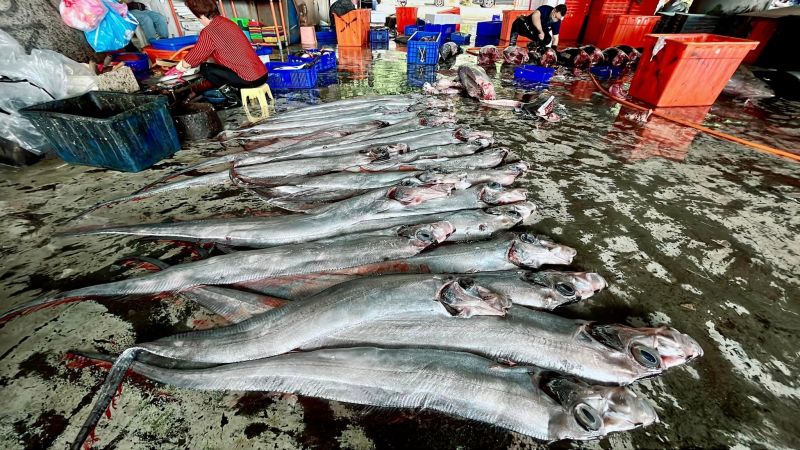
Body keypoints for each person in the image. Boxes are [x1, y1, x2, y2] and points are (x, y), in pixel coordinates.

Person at [167, 0, 268, 94]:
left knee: (206, 68)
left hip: (249, 79)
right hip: (262, 74)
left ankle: (231, 97)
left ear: (201, 16)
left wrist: (178, 68)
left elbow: (194, 56)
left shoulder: (209, 31)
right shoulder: (226, 22)